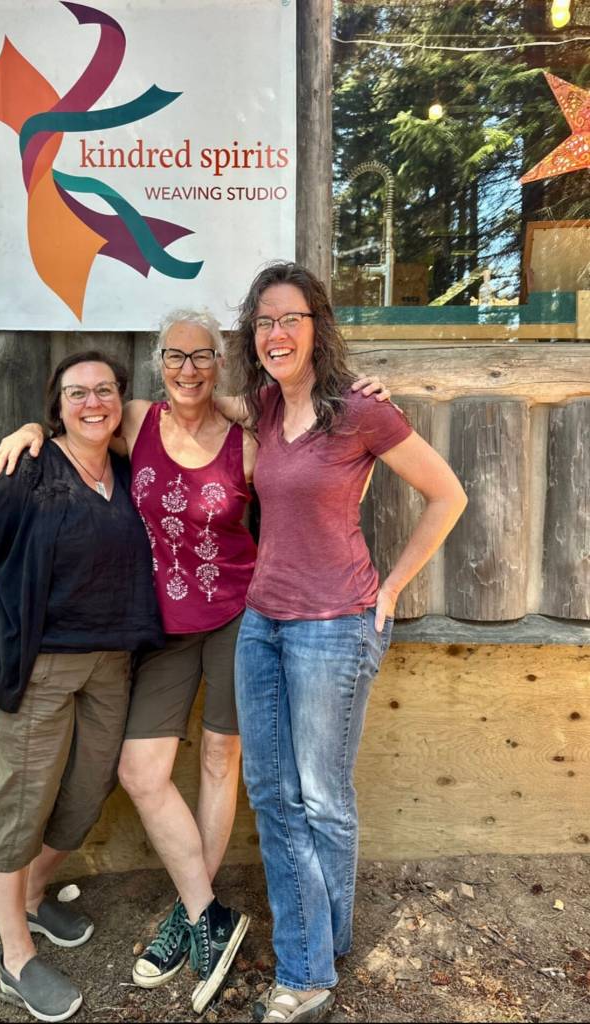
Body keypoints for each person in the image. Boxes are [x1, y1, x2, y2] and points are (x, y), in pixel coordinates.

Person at [0, 311, 390, 1014]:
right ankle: (209, 912)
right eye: (175, 356)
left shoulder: (248, 437)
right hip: (161, 629)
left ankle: (193, 915)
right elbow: (77, 425)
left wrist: (368, 404)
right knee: (139, 771)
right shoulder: (135, 417)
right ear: (159, 362)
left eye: (202, 356)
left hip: (240, 618)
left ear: (220, 362)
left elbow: (327, 469)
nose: (188, 369)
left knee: (217, 758)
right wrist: (30, 430)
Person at [224, 262, 468, 1024]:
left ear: (317, 327)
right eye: (264, 321)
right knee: (272, 795)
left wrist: (390, 591)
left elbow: (447, 494)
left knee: (323, 798)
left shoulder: (359, 410)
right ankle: (322, 948)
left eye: (290, 319)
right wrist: (45, 425)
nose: (276, 333)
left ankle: (307, 973)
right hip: (261, 626)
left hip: (335, 626)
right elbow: (191, 396)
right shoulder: (267, 405)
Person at [0, 351, 163, 1023]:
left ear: (120, 399)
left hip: (112, 664)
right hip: (37, 666)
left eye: (104, 390)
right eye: (77, 393)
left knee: (87, 790)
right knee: (18, 803)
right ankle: (15, 959)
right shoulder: (26, 470)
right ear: (57, 406)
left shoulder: (129, 471)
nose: (92, 402)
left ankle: (34, 896)